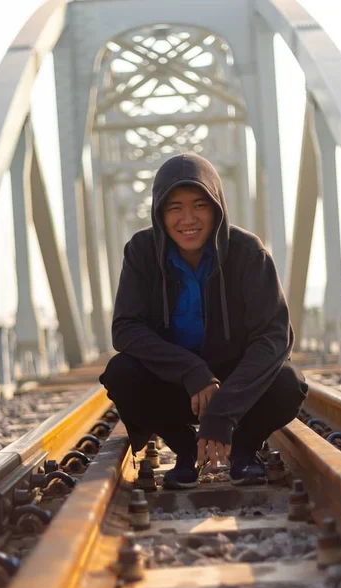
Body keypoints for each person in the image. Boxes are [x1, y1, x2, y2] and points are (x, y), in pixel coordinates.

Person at [100, 153, 308, 489]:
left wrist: (224, 409)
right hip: (176, 383)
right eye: (174, 207)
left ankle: (244, 450)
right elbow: (125, 328)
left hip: (237, 385)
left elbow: (274, 336)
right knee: (120, 372)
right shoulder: (141, 251)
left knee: (288, 382)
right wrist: (191, 371)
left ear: (217, 207)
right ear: (159, 213)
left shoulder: (248, 253)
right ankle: (185, 451)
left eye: (199, 205)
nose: (188, 218)